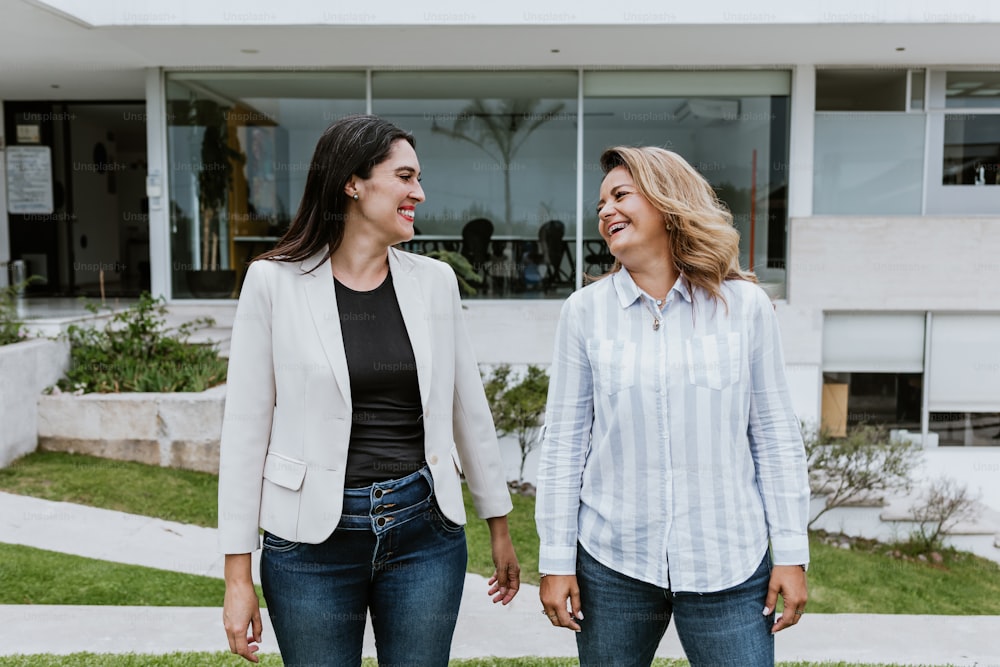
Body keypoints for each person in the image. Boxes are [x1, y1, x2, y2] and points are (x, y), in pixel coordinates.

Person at [218, 114, 520, 666]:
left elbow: (467, 409)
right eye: (405, 177)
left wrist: (498, 524)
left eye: (419, 178)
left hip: (423, 532)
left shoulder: (434, 282)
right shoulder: (273, 282)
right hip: (308, 544)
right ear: (352, 182)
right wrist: (238, 573)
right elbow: (244, 431)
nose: (419, 193)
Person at [536, 145, 809, 667]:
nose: (606, 212)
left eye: (620, 195)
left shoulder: (744, 308)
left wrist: (792, 552)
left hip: (729, 561)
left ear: (667, 200)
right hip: (613, 564)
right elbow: (564, 443)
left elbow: (774, 433)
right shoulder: (584, 313)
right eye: (600, 205)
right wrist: (555, 560)